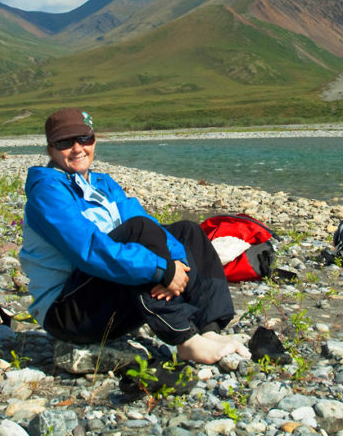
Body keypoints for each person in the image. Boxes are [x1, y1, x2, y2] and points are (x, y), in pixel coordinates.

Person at [18, 107, 249, 364]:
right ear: (50, 149)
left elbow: (152, 227)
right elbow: (90, 250)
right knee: (138, 232)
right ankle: (185, 338)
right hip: (68, 313)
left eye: (84, 139)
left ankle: (209, 328)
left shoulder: (102, 184)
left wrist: (177, 264)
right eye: (64, 142)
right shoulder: (48, 192)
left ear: (94, 140)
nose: (77, 148)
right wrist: (162, 269)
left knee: (187, 231)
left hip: (102, 297)